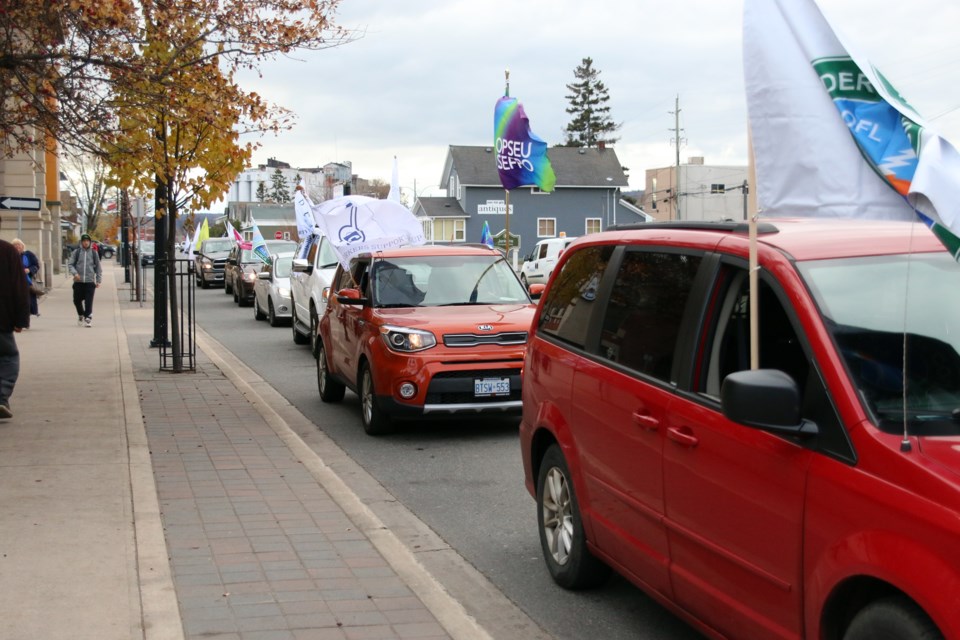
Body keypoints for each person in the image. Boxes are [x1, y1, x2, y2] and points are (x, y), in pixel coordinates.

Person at [0, 221, 30, 419]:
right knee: (9, 357)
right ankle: (1, 397)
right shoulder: (8, 251)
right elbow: (19, 288)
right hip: (1, 319)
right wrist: (21, 320)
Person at [68, 233, 102, 327]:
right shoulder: (77, 252)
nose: (86, 243)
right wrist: (75, 273)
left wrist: (98, 280)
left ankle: (88, 318)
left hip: (90, 281)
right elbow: (70, 264)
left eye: (87, 241)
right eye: (84, 241)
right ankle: (81, 314)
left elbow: (98, 267)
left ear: (90, 242)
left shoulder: (94, 253)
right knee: (76, 300)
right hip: (78, 281)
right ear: (81, 242)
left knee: (88, 301)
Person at [11, 238, 41, 317]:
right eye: (15, 245)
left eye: (19, 245)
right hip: (14, 281)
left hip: (27, 281)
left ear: (22, 246)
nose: (17, 247)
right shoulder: (10, 255)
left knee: (27, 301)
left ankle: (25, 318)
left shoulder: (28, 254)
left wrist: (29, 269)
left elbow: (36, 265)